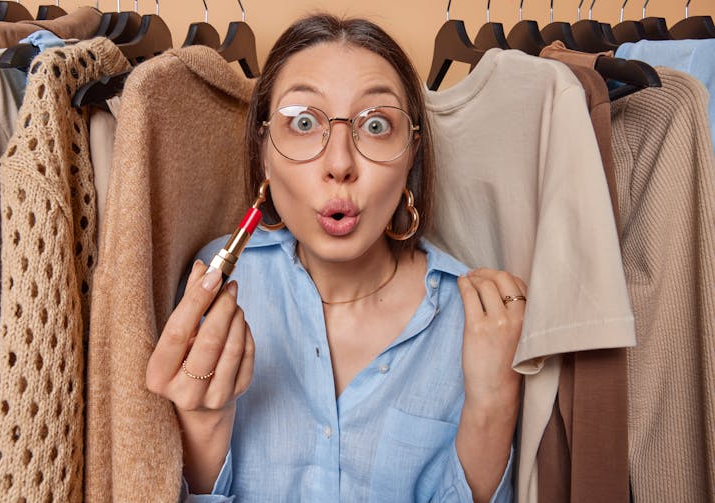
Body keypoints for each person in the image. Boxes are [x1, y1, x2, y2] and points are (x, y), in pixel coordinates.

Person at [146, 13, 526, 503]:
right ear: (264, 149)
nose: (341, 164)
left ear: (412, 153)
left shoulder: (472, 320)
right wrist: (202, 423)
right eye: (303, 122)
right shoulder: (215, 287)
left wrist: (493, 404)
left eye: (375, 125)